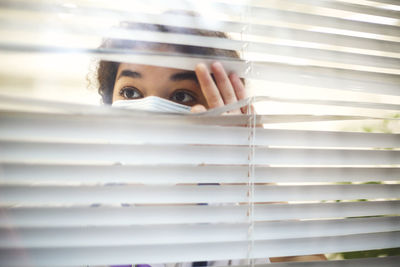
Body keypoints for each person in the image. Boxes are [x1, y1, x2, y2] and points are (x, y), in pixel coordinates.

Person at [95, 19, 326, 266]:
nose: (151, 115)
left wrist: (256, 185)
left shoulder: (243, 228)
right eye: (131, 92)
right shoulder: (75, 209)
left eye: (181, 96)